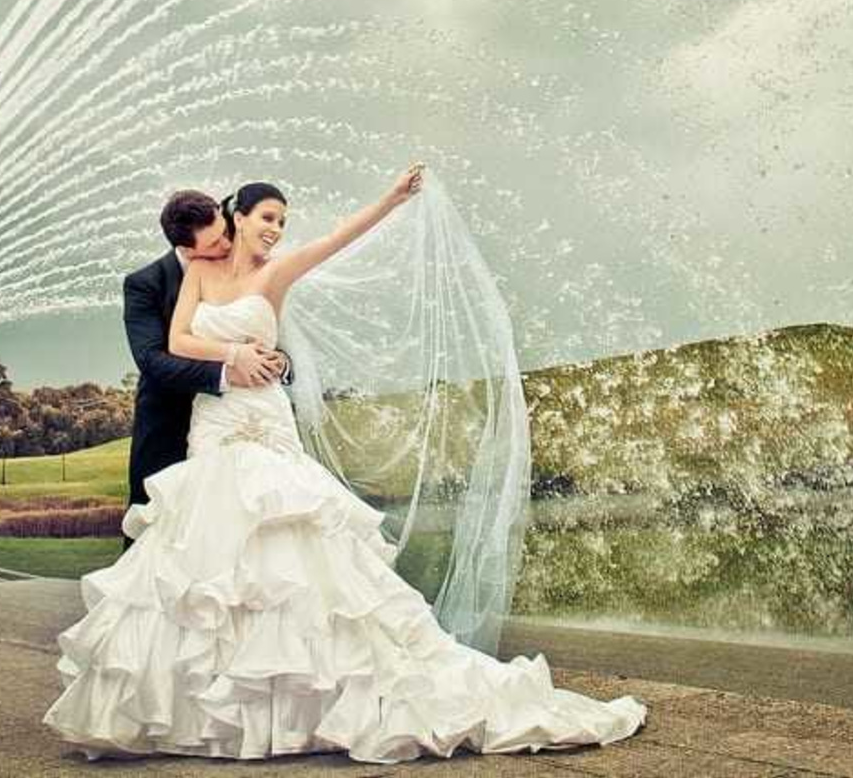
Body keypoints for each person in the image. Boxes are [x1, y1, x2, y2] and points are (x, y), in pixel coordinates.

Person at [45, 164, 647, 763]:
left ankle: (307, 698)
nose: (273, 230)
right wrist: (236, 356)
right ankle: (203, 703)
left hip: (261, 418)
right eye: (265, 218)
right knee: (204, 554)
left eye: (281, 220)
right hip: (212, 422)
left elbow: (337, 240)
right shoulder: (193, 272)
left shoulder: (275, 271)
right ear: (226, 222)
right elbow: (171, 348)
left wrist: (390, 198)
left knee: (290, 545)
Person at [118, 189, 292, 551]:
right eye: (214, 243)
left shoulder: (250, 265)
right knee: (156, 534)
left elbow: (264, 330)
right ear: (187, 249)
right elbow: (151, 359)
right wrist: (228, 370)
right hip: (169, 423)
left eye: (227, 231)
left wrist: (279, 362)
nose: (227, 244)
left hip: (236, 421)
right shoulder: (144, 284)